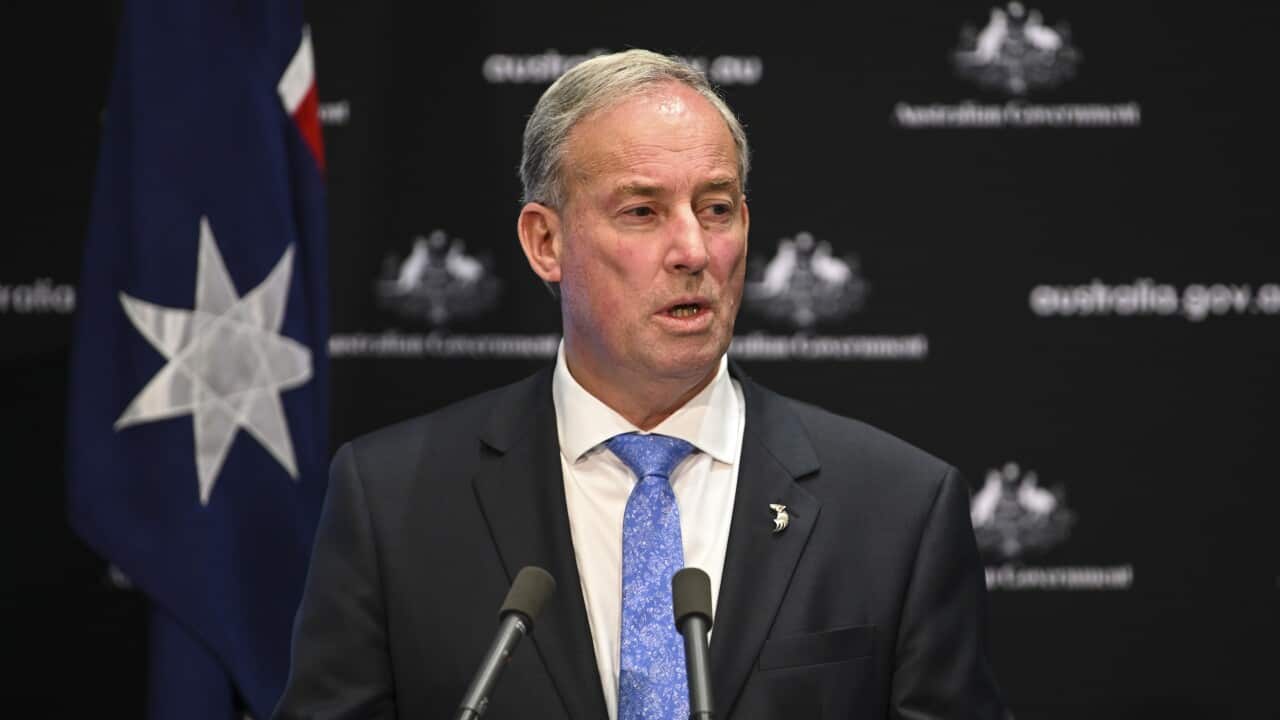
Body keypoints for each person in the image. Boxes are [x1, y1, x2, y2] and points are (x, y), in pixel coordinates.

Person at [275, 49, 1005, 719]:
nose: (693, 249)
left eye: (716, 209)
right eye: (642, 212)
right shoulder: (391, 501)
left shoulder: (897, 508)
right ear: (545, 242)